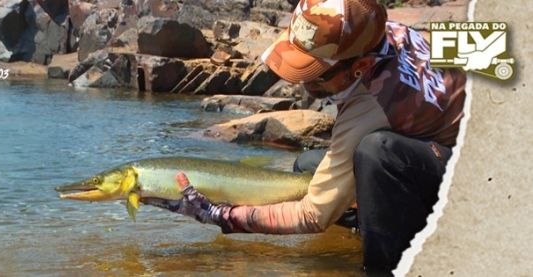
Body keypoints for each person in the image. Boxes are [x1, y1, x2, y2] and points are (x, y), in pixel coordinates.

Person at [142, 0, 466, 274]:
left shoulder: (369, 106)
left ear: (361, 65)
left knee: (376, 154)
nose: (302, 86)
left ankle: (390, 263)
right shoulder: (390, 31)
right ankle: (375, 220)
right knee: (308, 165)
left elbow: (312, 215)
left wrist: (220, 215)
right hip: (434, 152)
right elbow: (499, 48)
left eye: (313, 78)